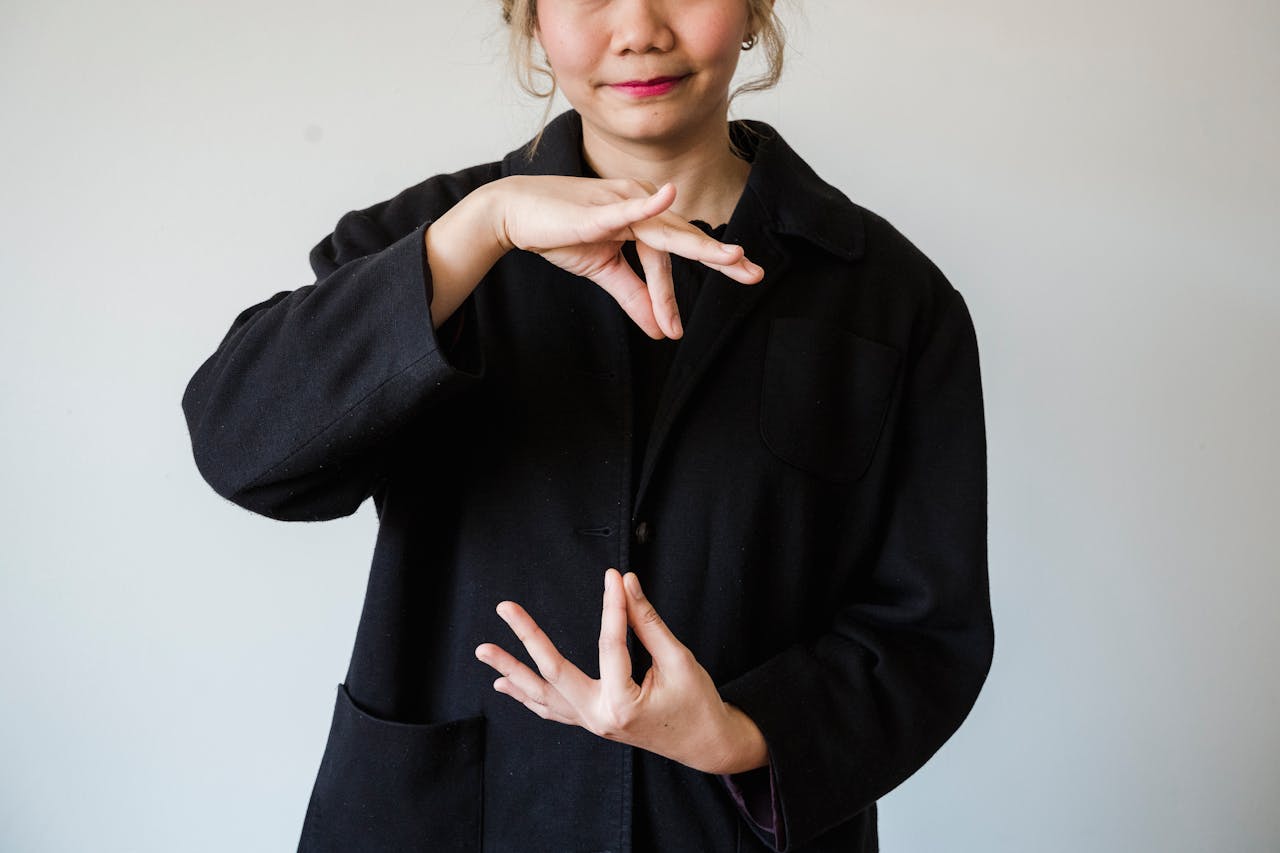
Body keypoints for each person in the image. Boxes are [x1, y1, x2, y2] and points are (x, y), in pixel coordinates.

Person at [181, 0, 994, 850]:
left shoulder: (896, 299)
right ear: (531, 20)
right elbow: (241, 445)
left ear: (754, 10)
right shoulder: (432, 242)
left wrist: (741, 734)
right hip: (452, 819)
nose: (638, 28)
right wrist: (484, 230)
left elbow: (927, 631)